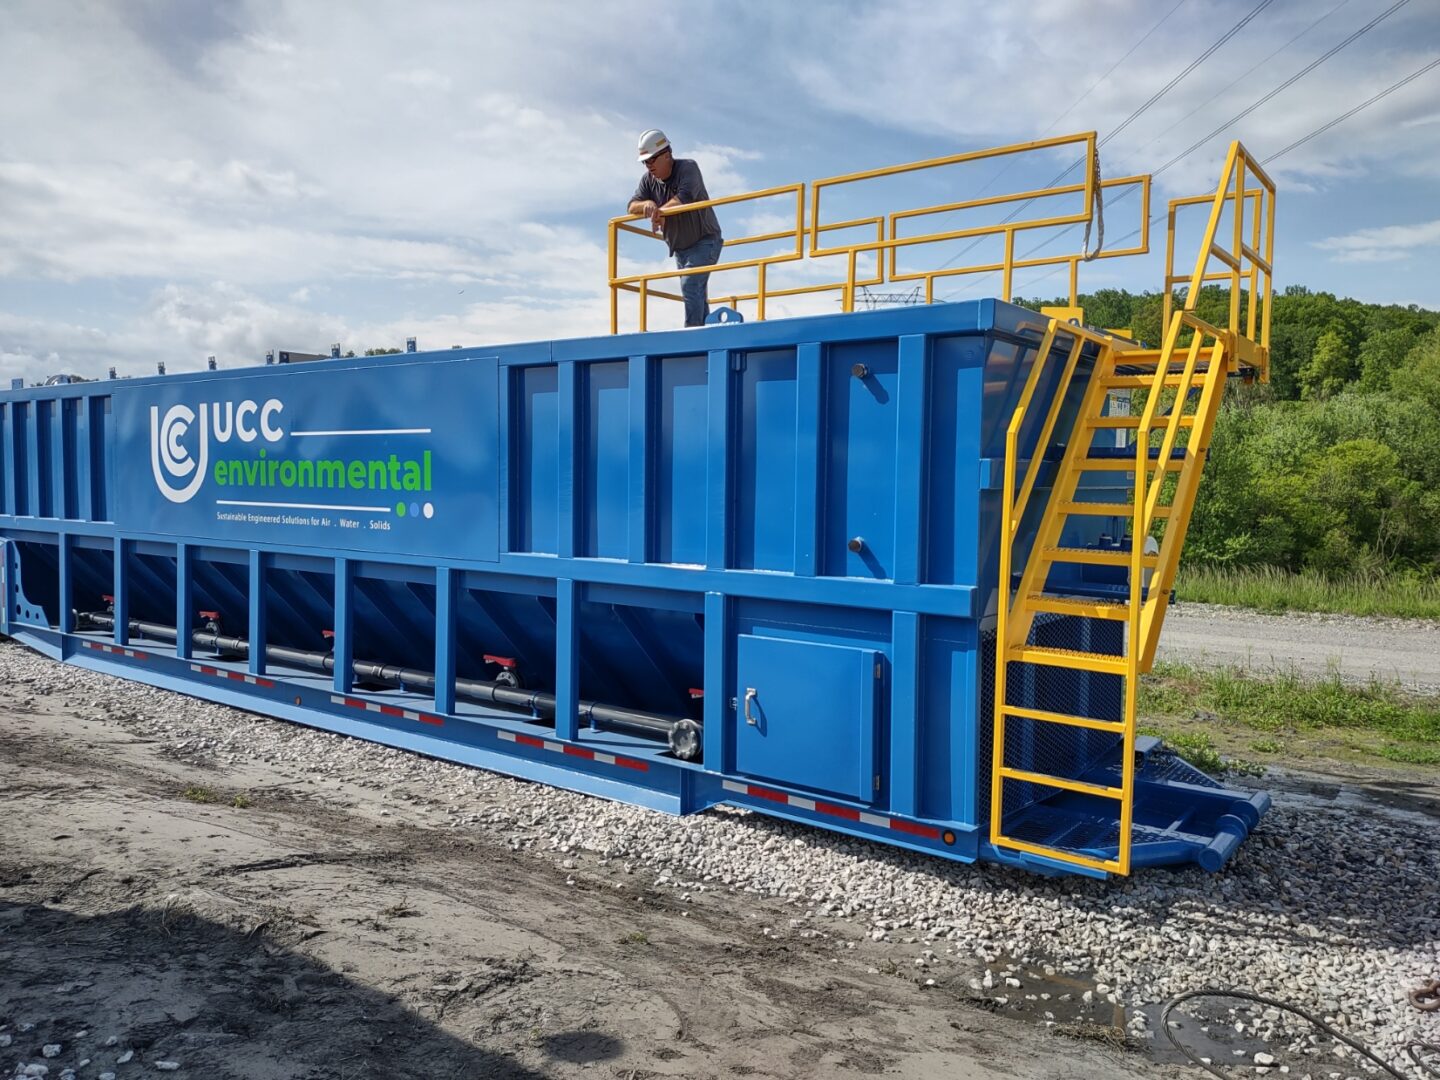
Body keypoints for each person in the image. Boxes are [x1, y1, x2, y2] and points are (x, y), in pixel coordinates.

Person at [628, 129, 724, 327]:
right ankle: (705, 333)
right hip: (681, 248)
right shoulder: (648, 180)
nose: (648, 166)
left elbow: (684, 199)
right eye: (645, 162)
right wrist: (647, 205)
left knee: (690, 285)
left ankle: (693, 336)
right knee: (695, 291)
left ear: (667, 155)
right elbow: (631, 206)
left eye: (652, 160)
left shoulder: (688, 168)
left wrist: (659, 212)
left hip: (705, 241)